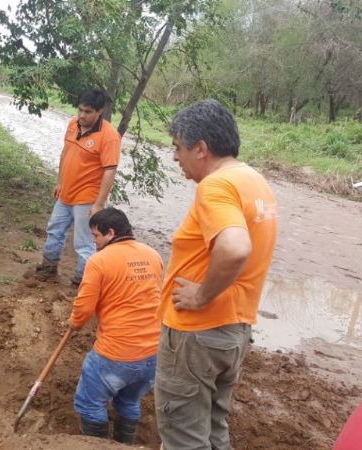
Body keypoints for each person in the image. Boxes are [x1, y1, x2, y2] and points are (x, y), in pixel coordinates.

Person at [155, 99, 278, 449]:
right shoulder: (254, 182)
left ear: (201, 148)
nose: (176, 157)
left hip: (197, 335)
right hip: (233, 331)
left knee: (184, 438)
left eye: (178, 148)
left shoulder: (215, 186)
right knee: (213, 429)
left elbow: (236, 247)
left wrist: (200, 295)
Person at [69, 208, 163, 444]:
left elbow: (83, 308)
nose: (93, 241)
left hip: (116, 353)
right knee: (129, 402)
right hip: (153, 352)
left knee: (90, 404)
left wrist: (75, 323)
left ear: (110, 233)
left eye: (95, 236)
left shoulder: (99, 261)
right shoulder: (153, 255)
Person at [34, 89, 121, 286]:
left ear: (100, 112)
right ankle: (48, 268)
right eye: (80, 110)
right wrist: (60, 182)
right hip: (66, 193)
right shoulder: (72, 124)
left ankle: (81, 282)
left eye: (88, 112)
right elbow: (65, 153)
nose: (82, 115)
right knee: (54, 230)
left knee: (84, 243)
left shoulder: (109, 136)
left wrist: (98, 204)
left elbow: (109, 171)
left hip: (87, 198)